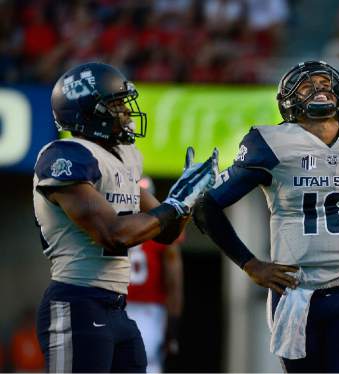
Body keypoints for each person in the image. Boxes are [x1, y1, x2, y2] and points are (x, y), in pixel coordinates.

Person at [194, 60, 339, 372]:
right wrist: (250, 264)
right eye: (306, 85)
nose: (319, 90)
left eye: (325, 83)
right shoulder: (272, 145)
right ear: (289, 101)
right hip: (296, 295)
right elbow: (206, 206)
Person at [33, 62, 218, 373]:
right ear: (90, 112)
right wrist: (173, 204)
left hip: (117, 307)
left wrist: (185, 203)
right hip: (76, 300)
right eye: (116, 104)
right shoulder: (65, 157)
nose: (128, 113)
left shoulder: (125, 156)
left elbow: (164, 233)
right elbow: (113, 232)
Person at [126, 176, 185, 373]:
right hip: (149, 311)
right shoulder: (162, 230)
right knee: (148, 365)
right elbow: (174, 283)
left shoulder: (116, 223)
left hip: (115, 305)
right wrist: (173, 329)